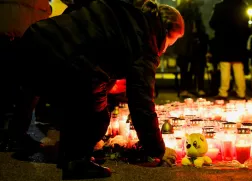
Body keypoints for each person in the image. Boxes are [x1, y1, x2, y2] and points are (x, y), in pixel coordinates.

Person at [13, 0, 184, 179]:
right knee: (97, 115)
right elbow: (141, 99)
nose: (166, 50)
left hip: (38, 35)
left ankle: (22, 139)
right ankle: (76, 162)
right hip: (70, 58)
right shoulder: (148, 39)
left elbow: (80, 14)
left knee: (42, 89)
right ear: (166, 32)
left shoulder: (126, 11)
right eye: (172, 43)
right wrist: (157, 149)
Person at [0, 0, 51, 149]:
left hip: (29, 31)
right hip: (14, 31)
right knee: (18, 85)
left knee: (30, 86)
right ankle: (14, 134)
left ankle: (17, 133)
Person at [209, 0, 250, 100]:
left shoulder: (219, 7)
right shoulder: (243, 6)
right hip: (238, 43)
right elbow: (246, 24)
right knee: (238, 68)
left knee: (225, 68)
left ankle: (223, 92)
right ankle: (241, 92)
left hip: (224, 41)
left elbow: (212, 23)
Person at [174, 0, 206, 97]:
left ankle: (187, 88)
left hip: (187, 44)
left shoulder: (183, 11)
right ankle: (189, 88)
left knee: (188, 68)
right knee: (187, 68)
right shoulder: (191, 11)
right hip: (188, 44)